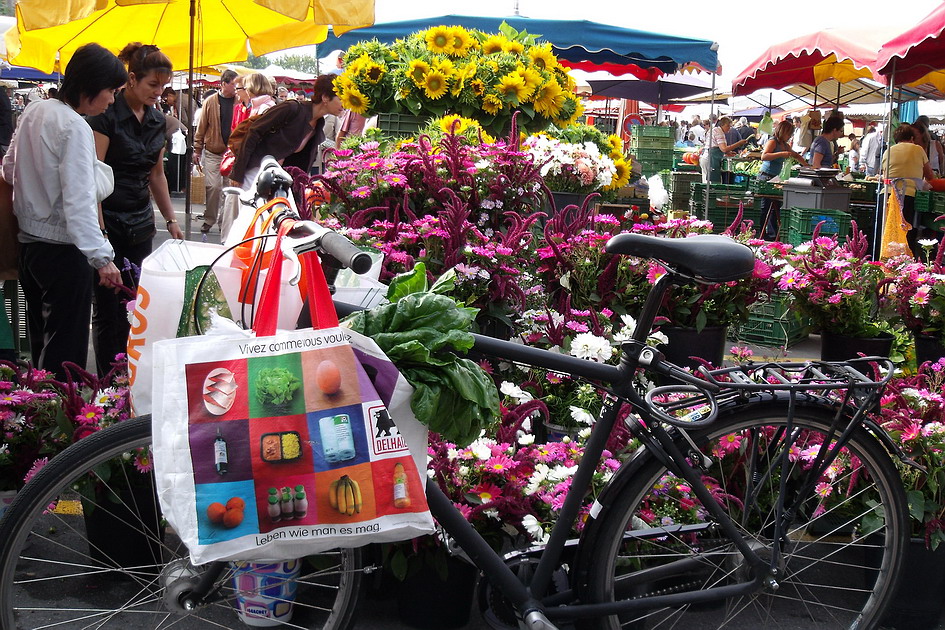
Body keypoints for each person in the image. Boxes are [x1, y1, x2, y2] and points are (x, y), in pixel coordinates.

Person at [2, 43, 125, 380]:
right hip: (63, 249)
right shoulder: (74, 126)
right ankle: (60, 417)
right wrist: (103, 257)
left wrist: (35, 188)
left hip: (29, 244)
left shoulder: (34, 111)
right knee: (65, 344)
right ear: (91, 85)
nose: (112, 99)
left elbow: (9, 168)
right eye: (111, 91)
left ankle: (31, 409)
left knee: (33, 337)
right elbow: (79, 200)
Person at [86, 42, 183, 377]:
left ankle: (130, 376)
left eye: (163, 86)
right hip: (108, 220)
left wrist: (171, 220)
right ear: (131, 79)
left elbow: (156, 174)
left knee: (136, 304)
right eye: (152, 85)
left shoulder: (159, 121)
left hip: (141, 222)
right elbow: (93, 179)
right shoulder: (105, 118)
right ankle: (106, 382)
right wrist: (98, 233)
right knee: (108, 308)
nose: (159, 92)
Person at [228, 74, 343, 231]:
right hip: (256, 171)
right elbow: (254, 132)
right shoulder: (292, 108)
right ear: (325, 97)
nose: (343, 104)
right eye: (340, 97)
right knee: (251, 218)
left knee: (269, 223)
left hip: (276, 178)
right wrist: (238, 171)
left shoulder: (318, 124)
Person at [218, 72, 278, 240]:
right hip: (250, 166)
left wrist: (239, 168)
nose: (239, 91)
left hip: (254, 168)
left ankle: (235, 243)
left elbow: (253, 142)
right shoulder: (257, 107)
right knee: (239, 205)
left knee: (245, 207)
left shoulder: (265, 108)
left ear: (252, 88)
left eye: (243, 87)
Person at [193, 69, 238, 234]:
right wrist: (197, 149)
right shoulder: (210, 101)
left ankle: (223, 222)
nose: (236, 87)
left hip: (232, 153)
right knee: (213, 187)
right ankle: (209, 219)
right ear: (224, 84)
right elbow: (201, 127)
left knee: (229, 190)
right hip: (213, 151)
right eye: (234, 83)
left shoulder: (239, 101)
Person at [882, 122, 934, 258]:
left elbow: (884, 174)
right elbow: (930, 175)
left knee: (887, 228)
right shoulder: (918, 149)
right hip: (908, 195)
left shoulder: (889, 150)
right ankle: (905, 262)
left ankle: (885, 258)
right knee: (906, 230)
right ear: (911, 138)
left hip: (887, 194)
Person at [756, 120, 810, 240]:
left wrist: (807, 166)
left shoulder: (785, 145)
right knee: (766, 207)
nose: (789, 136)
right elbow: (764, 156)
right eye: (789, 133)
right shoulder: (773, 141)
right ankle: (761, 234)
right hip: (766, 177)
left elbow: (796, 155)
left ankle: (772, 234)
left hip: (775, 178)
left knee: (775, 207)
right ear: (783, 131)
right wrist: (781, 154)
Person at [707, 116, 752, 183]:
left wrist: (727, 153)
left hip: (712, 157)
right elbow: (724, 149)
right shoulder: (718, 132)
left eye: (730, 126)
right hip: (712, 159)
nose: (729, 128)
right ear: (722, 125)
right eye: (727, 126)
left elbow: (719, 147)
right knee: (714, 182)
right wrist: (739, 143)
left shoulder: (716, 130)